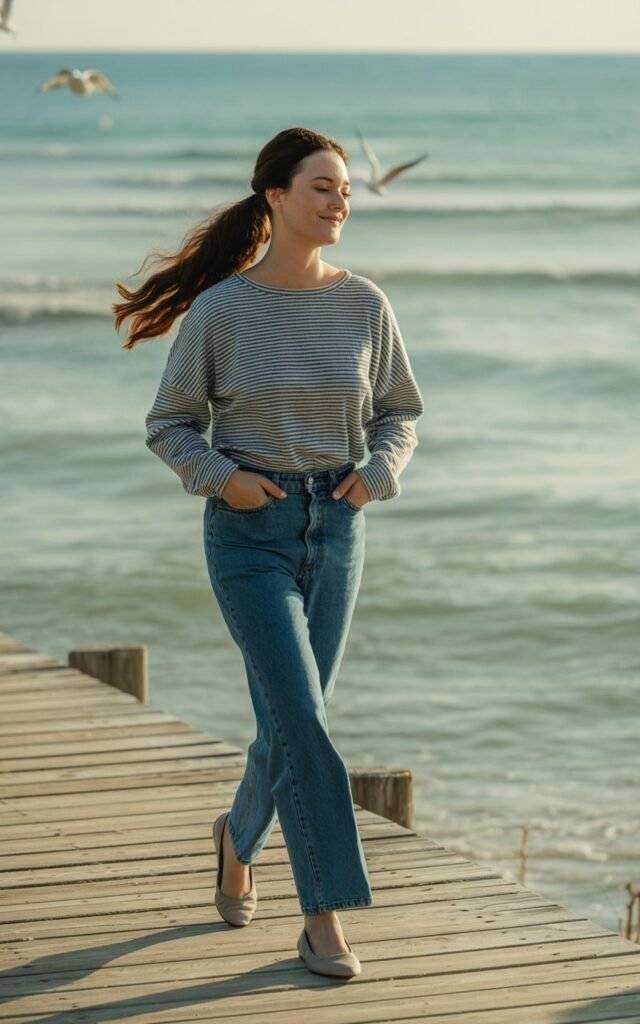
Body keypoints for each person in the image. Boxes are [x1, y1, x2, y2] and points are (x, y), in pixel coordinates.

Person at [113, 126, 424, 979]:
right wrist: (223, 479)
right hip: (250, 533)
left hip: (339, 525)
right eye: (321, 186)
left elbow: (400, 410)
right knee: (306, 721)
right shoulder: (222, 310)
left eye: (347, 189)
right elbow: (169, 425)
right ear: (276, 198)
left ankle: (233, 838)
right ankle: (323, 918)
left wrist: (377, 474)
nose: (340, 202)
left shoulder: (365, 303)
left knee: (289, 723)